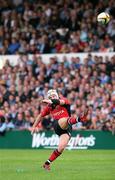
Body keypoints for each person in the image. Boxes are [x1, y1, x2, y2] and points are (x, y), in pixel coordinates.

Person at [31, 89, 88, 171]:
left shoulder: (64, 100)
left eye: (53, 96)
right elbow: (40, 115)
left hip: (67, 127)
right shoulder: (49, 107)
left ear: (57, 95)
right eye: (50, 97)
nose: (52, 97)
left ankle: (47, 163)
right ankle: (80, 119)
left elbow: (59, 102)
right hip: (57, 125)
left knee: (61, 147)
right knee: (63, 120)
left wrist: (49, 100)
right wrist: (34, 126)